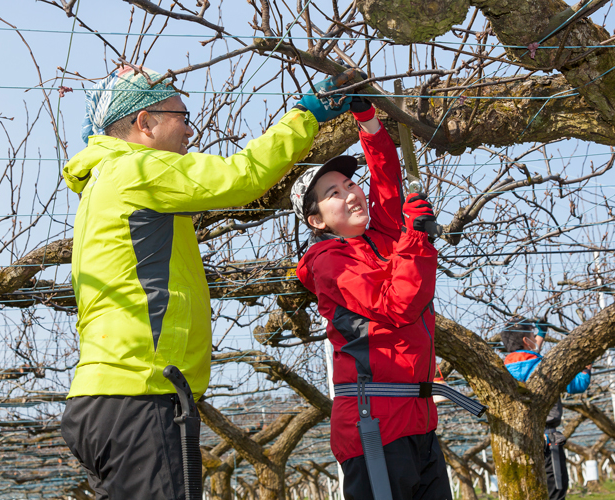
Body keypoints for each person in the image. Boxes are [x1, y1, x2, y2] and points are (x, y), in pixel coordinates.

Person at [60, 65, 352, 499]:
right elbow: (242, 176)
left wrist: (102, 116)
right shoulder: (136, 169)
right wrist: (306, 114)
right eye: (182, 117)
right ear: (145, 124)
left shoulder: (104, 177)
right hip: (142, 395)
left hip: (104, 401)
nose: (191, 132)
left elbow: (104, 134)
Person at [292, 96, 453, 500]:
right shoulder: (329, 261)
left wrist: (366, 118)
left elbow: (386, 179)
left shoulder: (380, 236)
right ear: (316, 220)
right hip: (375, 427)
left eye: (349, 184)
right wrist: (416, 236)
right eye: (333, 193)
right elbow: (399, 305)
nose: (350, 193)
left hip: (418, 420)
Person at [500, 318, 591, 500]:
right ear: (527, 341)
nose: (535, 338)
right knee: (556, 490)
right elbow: (577, 385)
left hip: (517, 439)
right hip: (547, 439)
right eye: (533, 335)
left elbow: (527, 359)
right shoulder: (546, 368)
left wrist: (541, 334)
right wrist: (586, 365)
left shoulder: (503, 369)